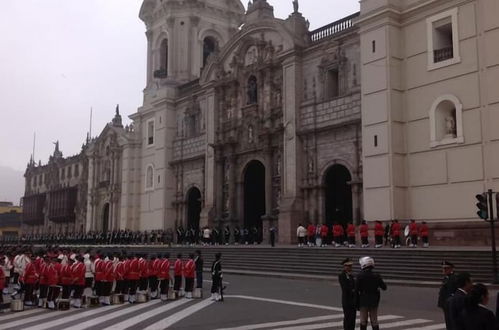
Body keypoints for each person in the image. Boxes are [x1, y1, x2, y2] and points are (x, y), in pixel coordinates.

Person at [355, 257, 387, 330]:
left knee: (363, 320)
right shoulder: (377, 275)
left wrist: (356, 303)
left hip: (363, 301)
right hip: (374, 301)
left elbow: (356, 290)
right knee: (374, 321)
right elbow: (384, 287)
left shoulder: (360, 276)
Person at [438, 261, 458, 330]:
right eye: (443, 268)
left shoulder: (453, 278)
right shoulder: (446, 278)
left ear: (451, 269)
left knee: (451, 322)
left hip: (450, 304)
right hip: (445, 304)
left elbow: (452, 292)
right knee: (448, 322)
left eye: (446, 268)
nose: (444, 270)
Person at [339, 258, 356, 330]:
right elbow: (345, 287)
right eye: (348, 266)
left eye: (351, 266)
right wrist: (353, 290)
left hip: (353, 300)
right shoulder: (342, 275)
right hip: (347, 300)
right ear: (344, 266)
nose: (350, 268)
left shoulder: (351, 276)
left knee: (353, 318)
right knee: (347, 317)